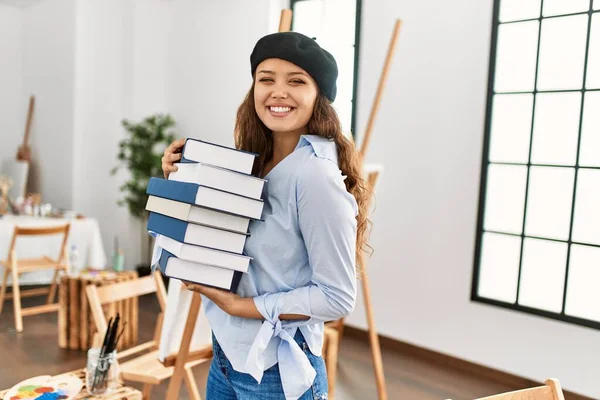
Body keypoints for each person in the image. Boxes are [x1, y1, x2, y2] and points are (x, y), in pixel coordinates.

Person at [160, 31, 371, 400]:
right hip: (228, 355)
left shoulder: (314, 176)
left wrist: (239, 306)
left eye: (296, 81)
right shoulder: (257, 161)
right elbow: (224, 235)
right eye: (266, 79)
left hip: (276, 371)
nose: (278, 91)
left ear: (319, 96)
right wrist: (179, 179)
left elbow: (336, 299)